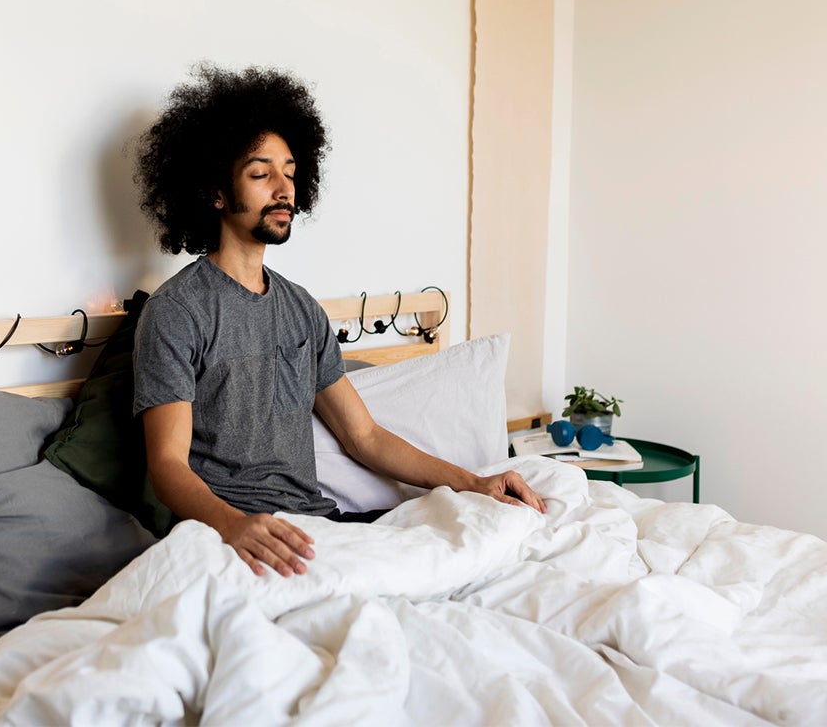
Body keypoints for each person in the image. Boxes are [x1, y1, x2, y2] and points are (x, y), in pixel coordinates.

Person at [132, 64, 544, 579]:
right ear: (216, 193)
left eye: (290, 172)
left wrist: (474, 482)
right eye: (261, 174)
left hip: (321, 529)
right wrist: (233, 526)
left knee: (529, 513)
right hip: (231, 542)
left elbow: (364, 437)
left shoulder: (302, 309)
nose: (284, 189)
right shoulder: (176, 311)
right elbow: (167, 464)